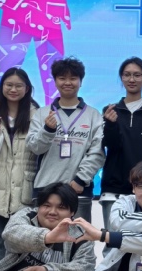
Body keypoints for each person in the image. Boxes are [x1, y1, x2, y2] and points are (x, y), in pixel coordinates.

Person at [26, 57, 105, 224]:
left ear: (80, 81)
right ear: (55, 81)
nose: (67, 82)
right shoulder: (42, 113)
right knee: (42, 238)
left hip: (78, 190)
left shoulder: (93, 115)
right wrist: (48, 130)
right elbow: (34, 147)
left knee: (78, 237)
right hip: (45, 189)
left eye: (73, 78)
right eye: (62, 78)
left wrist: (81, 179)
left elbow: (98, 152)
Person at [0, 67, 39, 264]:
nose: (13, 89)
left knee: (23, 243)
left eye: (18, 86)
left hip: (25, 190)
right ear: (2, 86)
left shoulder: (37, 116)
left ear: (27, 88)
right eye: (9, 85)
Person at [100, 57, 142, 223]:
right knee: (112, 237)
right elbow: (112, 146)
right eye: (127, 75)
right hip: (114, 190)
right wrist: (111, 125)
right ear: (121, 78)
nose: (131, 79)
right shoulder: (110, 110)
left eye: (137, 75)